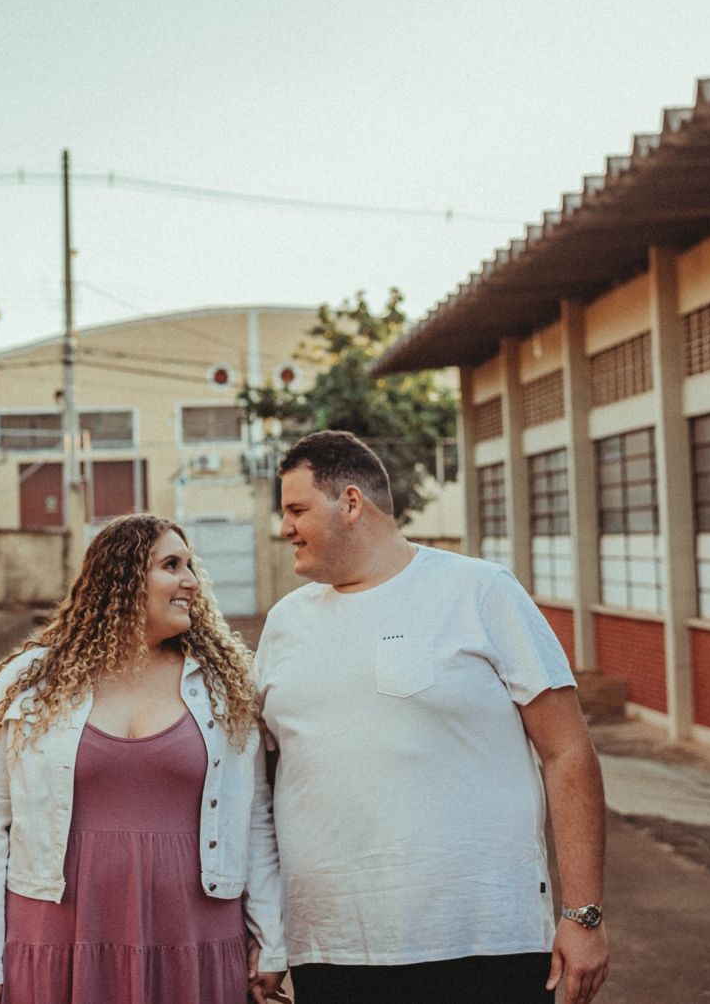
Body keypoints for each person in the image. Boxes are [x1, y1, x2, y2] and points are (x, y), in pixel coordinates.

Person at [255, 430, 610, 1004]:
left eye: (296, 509)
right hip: (330, 948)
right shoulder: (285, 624)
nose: (283, 528)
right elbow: (259, 787)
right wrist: (268, 936)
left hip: (483, 942)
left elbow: (566, 750)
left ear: (350, 502)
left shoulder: (479, 591)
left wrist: (584, 914)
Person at [0, 513, 288, 1004]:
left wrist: (272, 940)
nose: (191, 582)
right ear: (123, 580)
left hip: (193, 934)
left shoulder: (221, 688)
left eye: (190, 566)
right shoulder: (28, 685)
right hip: (58, 932)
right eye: (171, 565)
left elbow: (254, 816)